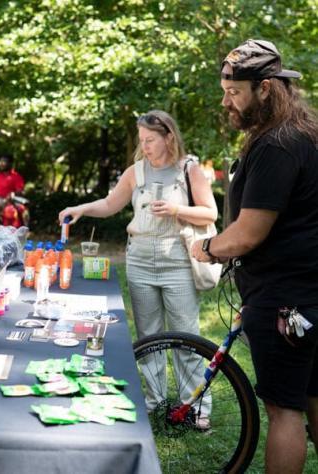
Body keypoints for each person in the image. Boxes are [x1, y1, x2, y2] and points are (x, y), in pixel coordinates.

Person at [191, 39, 318, 472]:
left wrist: (206, 247)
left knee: (285, 412)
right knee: (313, 399)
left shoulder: (275, 146)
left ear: (266, 88)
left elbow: (247, 234)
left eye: (234, 92)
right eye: (224, 89)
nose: (226, 101)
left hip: (285, 301)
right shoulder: (303, 134)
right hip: (308, 296)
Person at [59, 110, 217, 427]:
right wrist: (81, 209)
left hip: (178, 262)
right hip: (140, 261)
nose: (144, 146)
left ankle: (196, 409)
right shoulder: (136, 172)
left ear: (168, 137)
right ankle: (155, 403)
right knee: (149, 336)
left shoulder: (189, 169)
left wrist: (176, 209)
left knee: (186, 338)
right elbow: (109, 204)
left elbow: (210, 213)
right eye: (141, 140)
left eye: (150, 140)